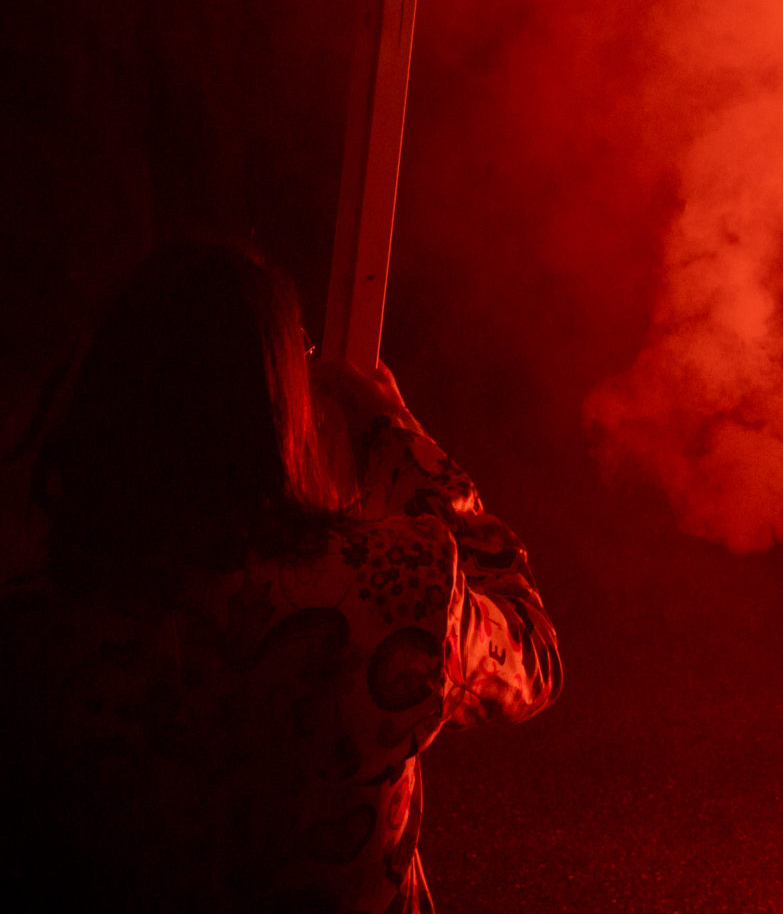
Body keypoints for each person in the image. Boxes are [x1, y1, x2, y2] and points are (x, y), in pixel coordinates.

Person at [0, 242, 559, 912]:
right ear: (279, 401)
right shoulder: (387, 592)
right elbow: (530, 653)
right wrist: (397, 437)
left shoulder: (32, 635)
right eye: (304, 356)